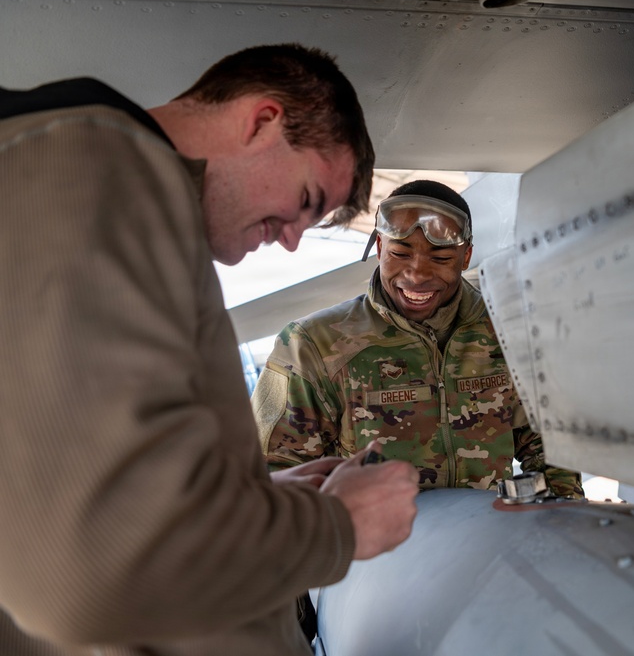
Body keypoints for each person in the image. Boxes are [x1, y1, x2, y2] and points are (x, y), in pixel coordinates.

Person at [0, 44, 419, 656]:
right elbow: (95, 569)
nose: (295, 242)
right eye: (306, 201)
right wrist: (336, 528)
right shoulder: (98, 169)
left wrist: (257, 504)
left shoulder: (108, 185)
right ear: (262, 122)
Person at [253, 180, 583, 498]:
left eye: (440, 259)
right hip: (377, 549)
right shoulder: (313, 345)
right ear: (380, 247)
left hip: (487, 540)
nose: (417, 275)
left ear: (466, 257)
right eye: (400, 253)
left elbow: (552, 448)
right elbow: (275, 477)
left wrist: (560, 519)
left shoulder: (509, 327)